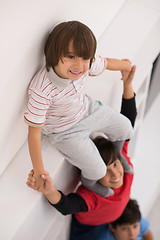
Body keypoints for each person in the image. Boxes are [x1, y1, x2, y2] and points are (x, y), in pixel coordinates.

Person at [26, 65, 137, 240]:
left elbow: (128, 121)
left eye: (115, 164)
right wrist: (49, 190)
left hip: (113, 219)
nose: (115, 173)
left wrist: (128, 84)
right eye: (106, 170)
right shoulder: (92, 196)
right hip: (89, 229)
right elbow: (67, 206)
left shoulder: (125, 168)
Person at [24, 20, 133, 190]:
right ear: (54, 53)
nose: (79, 66)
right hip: (64, 131)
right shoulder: (42, 89)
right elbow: (33, 133)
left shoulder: (85, 65)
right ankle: (91, 184)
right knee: (98, 171)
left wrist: (126, 66)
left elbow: (106, 63)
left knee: (126, 128)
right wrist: (39, 171)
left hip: (87, 109)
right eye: (71, 56)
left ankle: (116, 155)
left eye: (85, 58)